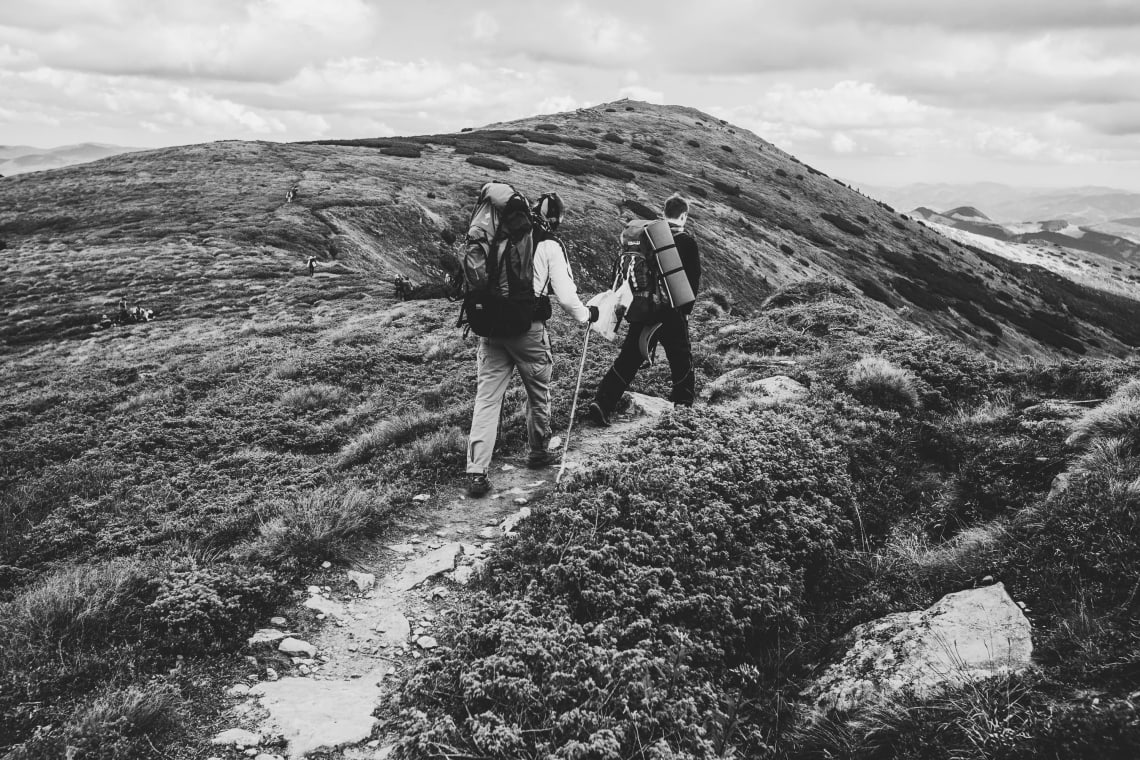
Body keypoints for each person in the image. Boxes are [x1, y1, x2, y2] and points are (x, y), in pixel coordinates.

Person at [465, 191, 599, 497]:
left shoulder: (498, 233)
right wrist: (587, 315)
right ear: (556, 219)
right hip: (529, 332)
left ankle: (476, 470)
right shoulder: (549, 243)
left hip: (491, 330)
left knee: (486, 400)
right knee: (538, 393)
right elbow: (565, 296)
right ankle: (538, 451)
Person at [588, 193, 702, 425]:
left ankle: (602, 402)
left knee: (629, 358)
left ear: (663, 212)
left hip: (642, 306)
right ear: (683, 215)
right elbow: (693, 279)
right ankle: (684, 410)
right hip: (670, 311)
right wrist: (686, 311)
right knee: (681, 358)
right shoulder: (685, 240)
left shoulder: (647, 237)